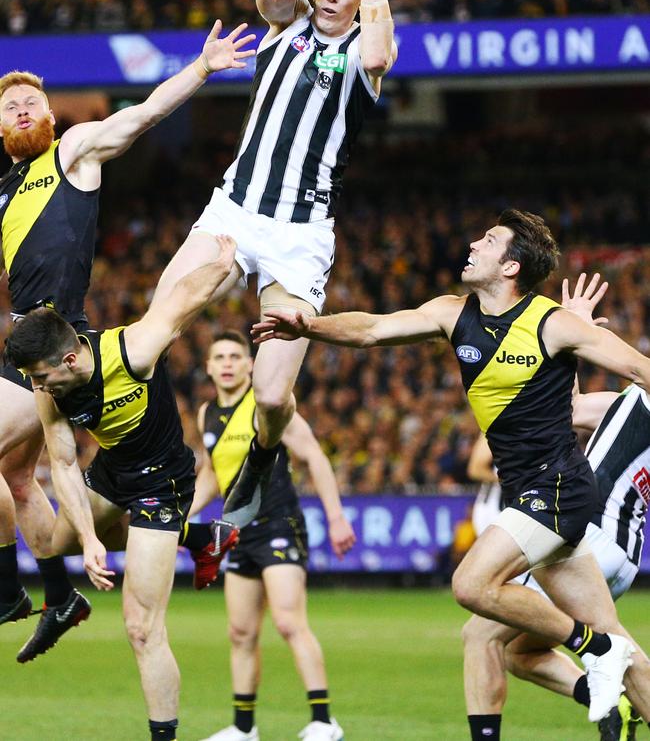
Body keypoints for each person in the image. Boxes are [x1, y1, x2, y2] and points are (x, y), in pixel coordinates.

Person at [252, 209, 650, 737]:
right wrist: (310, 325)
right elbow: (372, 330)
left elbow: (642, 372)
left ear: (510, 266)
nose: (472, 244)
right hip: (530, 495)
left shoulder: (553, 323)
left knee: (470, 584)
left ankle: (594, 651)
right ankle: (606, 650)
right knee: (617, 638)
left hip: (558, 489)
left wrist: (577, 331)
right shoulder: (450, 313)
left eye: (488, 240)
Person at [150, 0, 405, 529]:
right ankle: (148, 461)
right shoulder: (285, 23)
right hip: (234, 210)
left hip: (300, 234)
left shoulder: (359, 54)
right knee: (158, 317)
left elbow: (377, 52)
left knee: (270, 394)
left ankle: (263, 457)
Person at [0, 19, 255, 659]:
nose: (22, 107)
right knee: (16, 474)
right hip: (23, 345)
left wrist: (202, 68)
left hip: (59, 343)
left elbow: (141, 115)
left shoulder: (73, 152)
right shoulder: (3, 190)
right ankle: (181, 547)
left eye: (32, 101)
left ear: (52, 117)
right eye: (9, 105)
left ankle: (13, 593)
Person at [3, 234, 239, 741]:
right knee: (54, 543)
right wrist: (88, 539)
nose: (36, 388)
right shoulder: (51, 395)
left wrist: (223, 262)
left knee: (140, 627)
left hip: (163, 481)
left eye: (40, 376)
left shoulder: (134, 350)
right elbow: (64, 466)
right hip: (113, 473)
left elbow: (183, 299)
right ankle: (202, 539)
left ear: (69, 360)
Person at [461, 274, 649, 740]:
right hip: (624, 552)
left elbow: (578, 404)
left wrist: (574, 331)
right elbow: (567, 407)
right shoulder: (632, 405)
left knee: (480, 634)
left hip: (585, 528)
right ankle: (612, 702)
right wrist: (568, 343)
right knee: (522, 652)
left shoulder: (638, 399)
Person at [190, 330, 355, 741]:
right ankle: (243, 728)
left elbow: (314, 454)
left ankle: (323, 721)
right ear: (208, 367)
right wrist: (182, 512)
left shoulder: (269, 404)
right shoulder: (206, 413)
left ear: (250, 364)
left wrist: (336, 517)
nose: (227, 363)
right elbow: (213, 472)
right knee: (240, 632)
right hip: (238, 531)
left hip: (279, 522)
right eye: (219, 357)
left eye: (235, 356)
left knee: (287, 622)